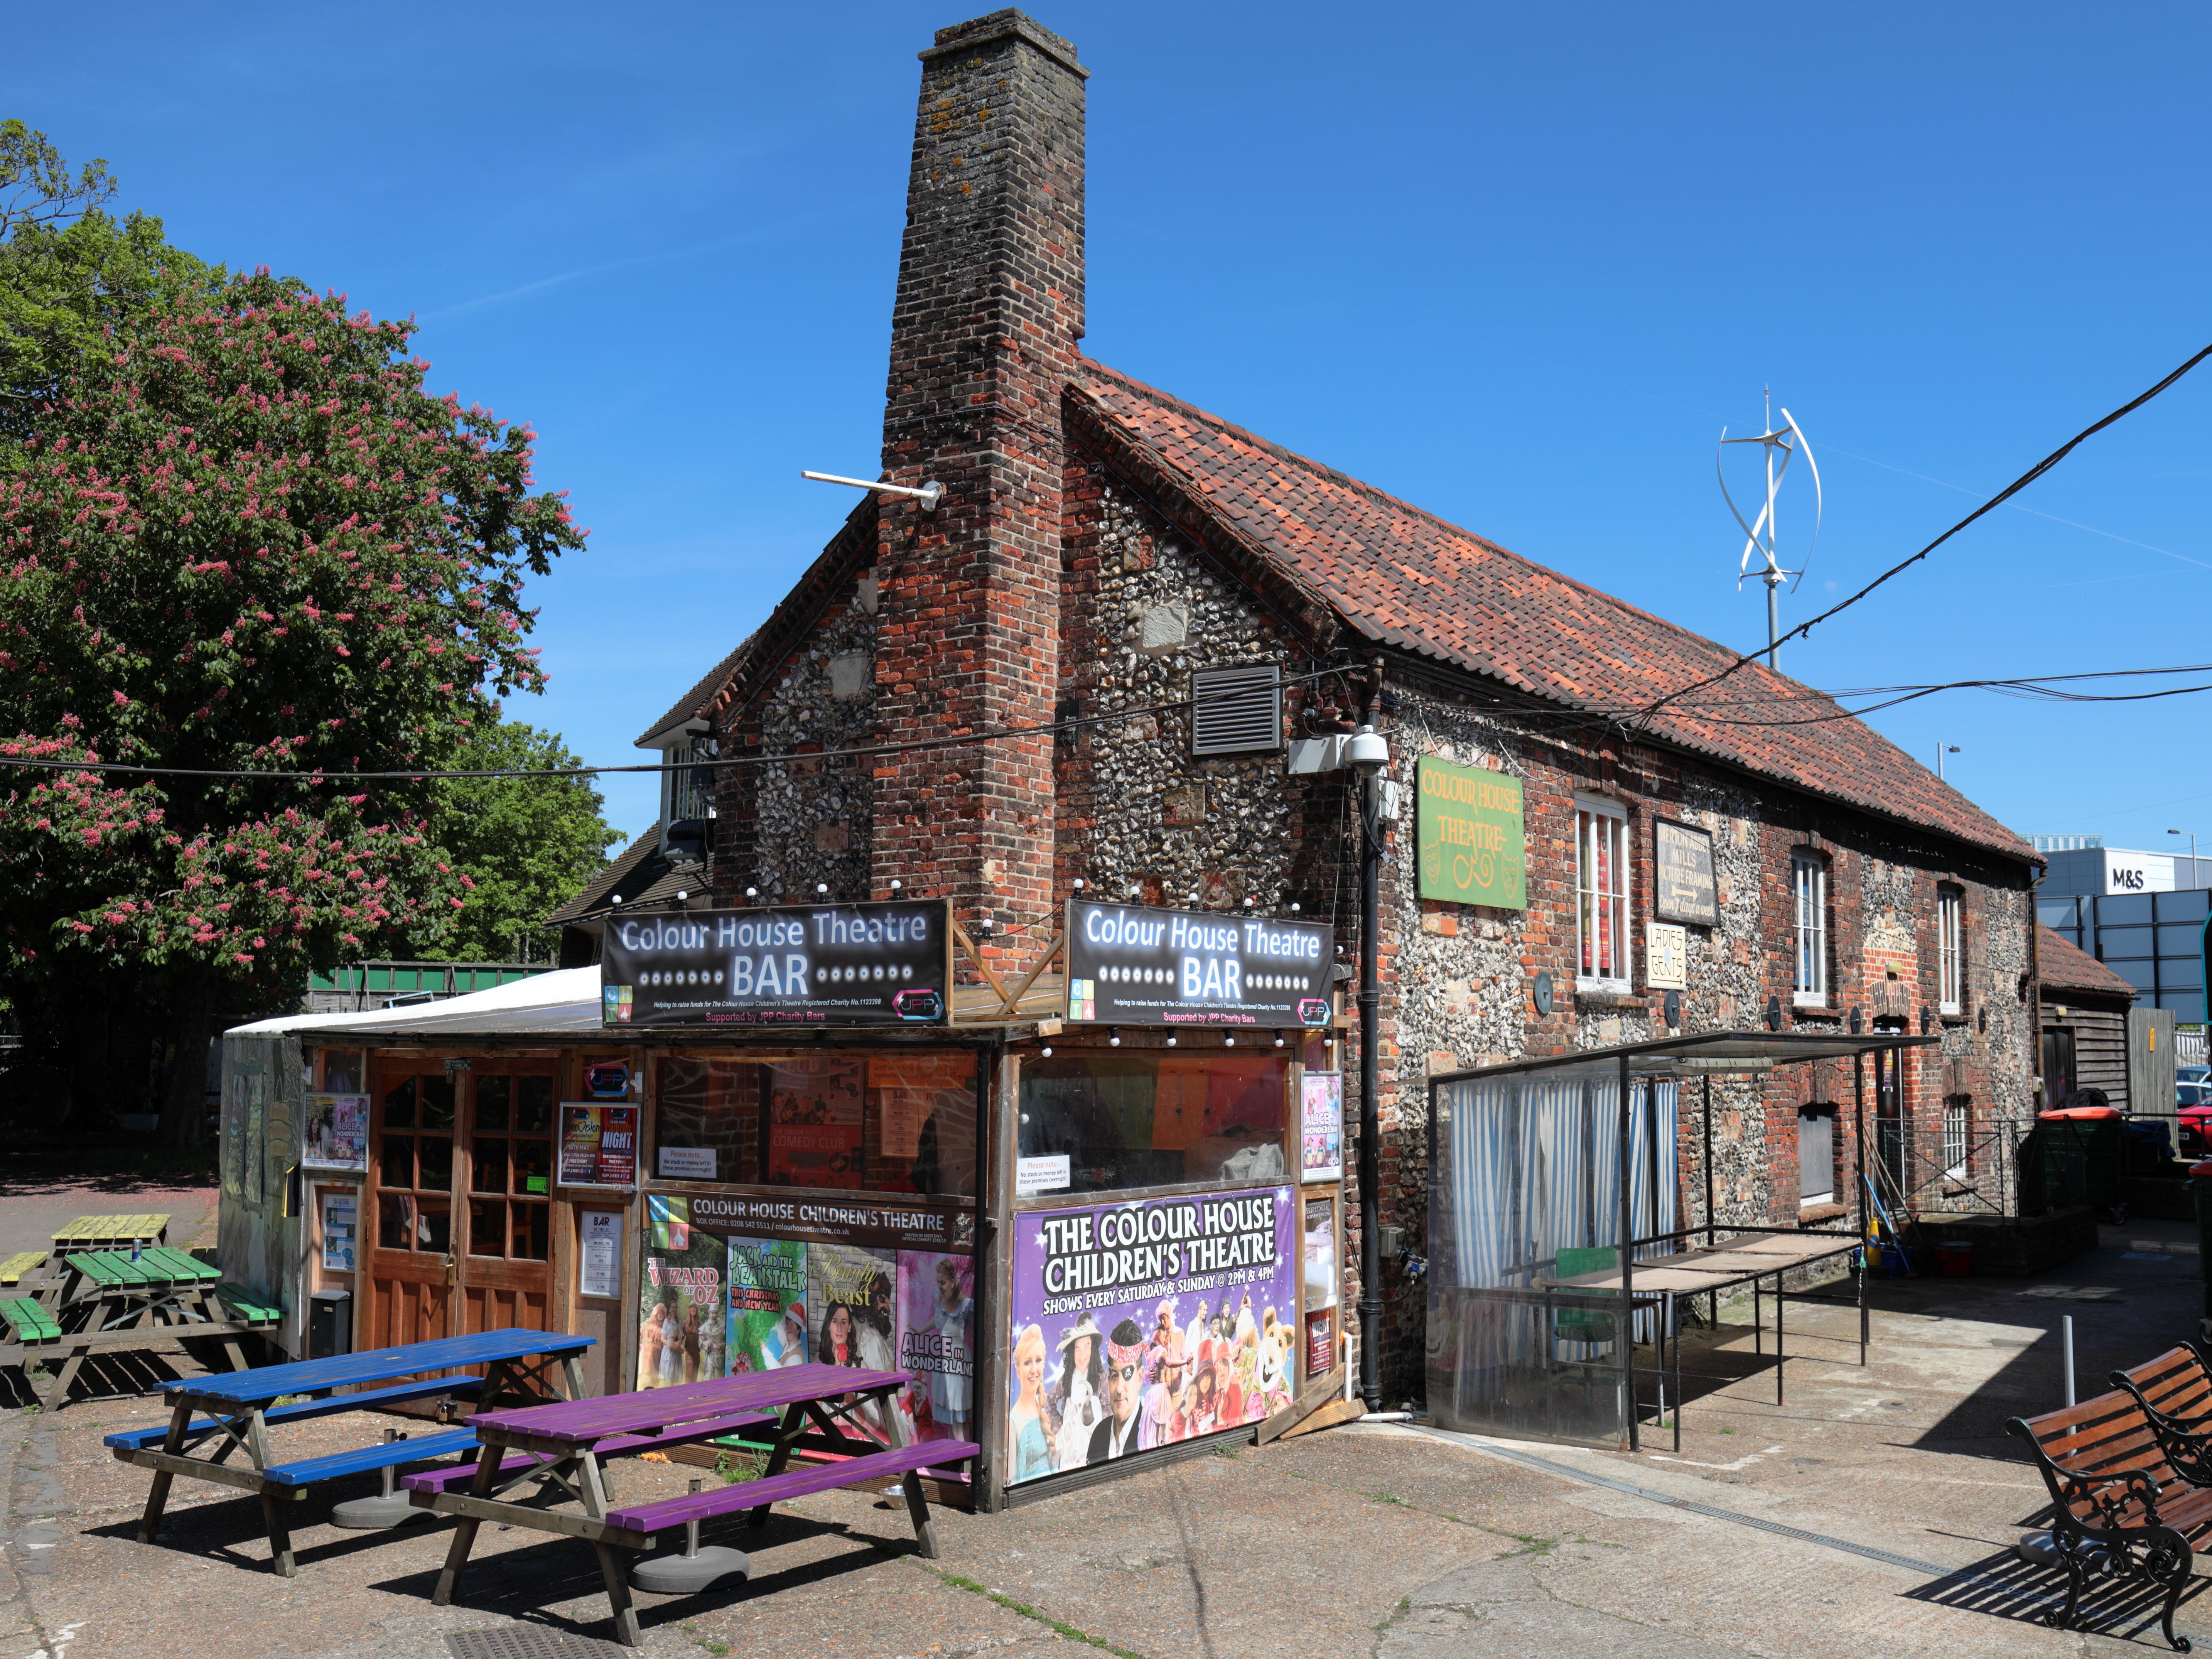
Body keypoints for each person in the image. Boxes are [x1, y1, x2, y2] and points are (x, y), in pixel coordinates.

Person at [1087, 1318, 1152, 1462]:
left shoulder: (1150, 1433)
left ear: (1140, 1377)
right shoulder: (1099, 1435)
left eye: (1127, 1374)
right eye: (1115, 1376)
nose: (1119, 1389)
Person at [1048, 1313, 1105, 1471]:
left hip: (1092, 1451)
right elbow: (1050, 1402)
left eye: (1086, 1347)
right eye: (1078, 1349)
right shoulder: (1068, 1378)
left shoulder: (1102, 1378)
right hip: (1068, 1454)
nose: (1082, 1355)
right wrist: (1061, 1428)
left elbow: (1108, 1411)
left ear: (1093, 1349)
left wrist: (1092, 1421)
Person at [926, 1259, 972, 1440]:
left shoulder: (967, 1305)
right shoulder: (940, 1306)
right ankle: (955, 1454)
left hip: (959, 1361)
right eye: (938, 1283)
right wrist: (919, 1330)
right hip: (946, 1361)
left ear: (953, 1282)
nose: (939, 1287)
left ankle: (964, 1456)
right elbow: (935, 1322)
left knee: (960, 1416)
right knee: (952, 1418)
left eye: (943, 1283)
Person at [1010, 1323, 1054, 1481]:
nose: (1034, 1369)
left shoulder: (1046, 1406)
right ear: (1018, 1371)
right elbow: (1012, 1480)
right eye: (1028, 1362)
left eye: (1038, 1360)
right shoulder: (1013, 1423)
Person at [820, 1301, 861, 1367]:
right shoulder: (818, 1362)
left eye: (843, 1323)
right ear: (829, 1326)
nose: (839, 1329)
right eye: (835, 1322)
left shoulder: (861, 1367)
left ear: (849, 1327)